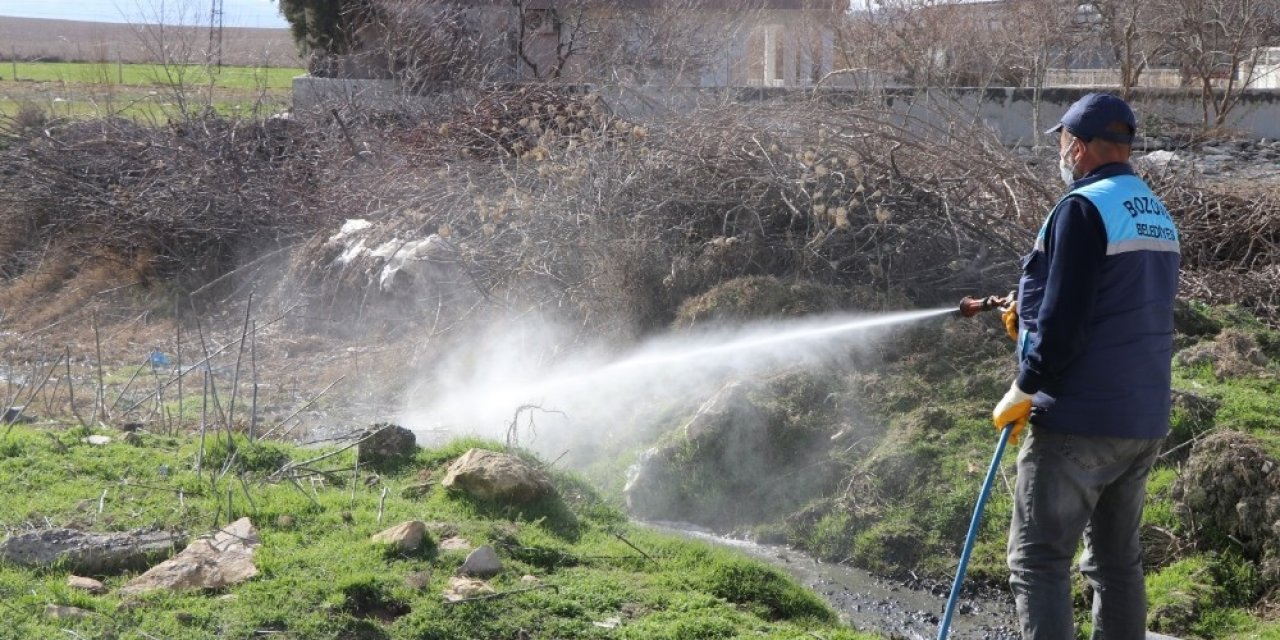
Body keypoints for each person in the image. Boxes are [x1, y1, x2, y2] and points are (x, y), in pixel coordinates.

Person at [990, 93, 1180, 639]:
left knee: (1039, 560)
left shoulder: (1082, 207)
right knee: (1117, 565)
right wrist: (1027, 316)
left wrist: (1026, 384)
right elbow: (1117, 303)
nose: (1062, 151)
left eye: (1066, 141)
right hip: (1142, 417)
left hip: (1079, 418)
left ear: (1082, 146)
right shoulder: (1152, 209)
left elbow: (1069, 319)